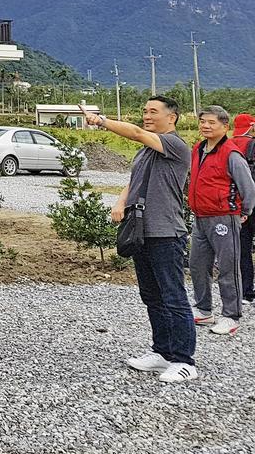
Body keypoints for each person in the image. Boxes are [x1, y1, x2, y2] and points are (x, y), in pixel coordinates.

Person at [81, 98, 197, 382]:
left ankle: (184, 360)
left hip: (166, 232)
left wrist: (101, 121)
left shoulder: (175, 144)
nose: (146, 116)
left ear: (173, 118)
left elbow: (134, 132)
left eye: (153, 112)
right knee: (152, 296)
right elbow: (133, 181)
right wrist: (121, 202)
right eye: (144, 111)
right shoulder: (146, 151)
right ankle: (162, 352)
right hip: (142, 231)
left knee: (173, 296)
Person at [187, 106, 255, 336]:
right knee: (197, 264)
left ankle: (231, 315)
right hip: (200, 217)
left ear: (225, 127)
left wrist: (244, 210)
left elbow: (248, 186)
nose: (205, 126)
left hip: (224, 217)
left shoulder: (231, 153)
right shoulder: (198, 149)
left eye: (211, 122)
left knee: (228, 266)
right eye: (203, 121)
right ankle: (204, 309)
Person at [233, 113, 255, 304]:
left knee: (243, 249)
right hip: (251, 202)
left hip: (237, 205)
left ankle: (245, 292)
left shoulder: (229, 145)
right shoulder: (252, 143)